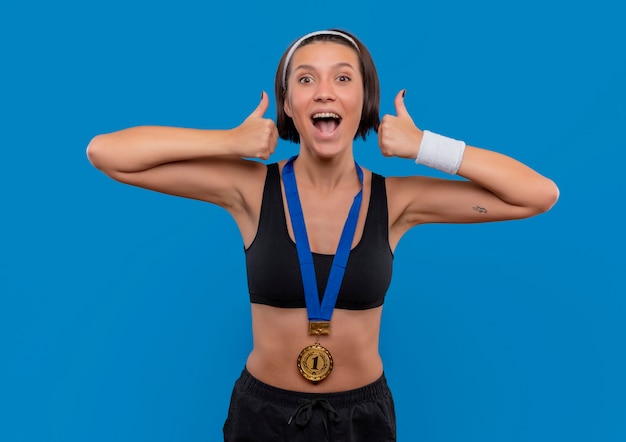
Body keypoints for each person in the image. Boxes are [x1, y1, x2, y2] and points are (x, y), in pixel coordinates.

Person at [86, 29, 559, 441]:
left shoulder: (398, 201)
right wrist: (230, 142)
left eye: (343, 78)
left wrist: (424, 147)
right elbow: (108, 153)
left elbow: (537, 194)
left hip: (363, 420)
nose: (325, 92)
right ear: (288, 104)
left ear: (365, 100)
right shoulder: (251, 189)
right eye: (306, 79)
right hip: (262, 417)